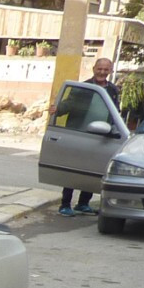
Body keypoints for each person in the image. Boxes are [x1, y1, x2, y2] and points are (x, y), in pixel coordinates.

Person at [60, 58, 121, 217]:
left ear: (110, 71)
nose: (102, 72)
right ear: (94, 68)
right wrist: (58, 109)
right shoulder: (83, 88)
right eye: (99, 69)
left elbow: (116, 113)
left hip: (100, 138)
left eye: (105, 70)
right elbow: (67, 105)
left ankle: (83, 203)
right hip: (80, 136)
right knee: (74, 170)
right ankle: (65, 204)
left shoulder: (113, 90)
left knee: (92, 170)